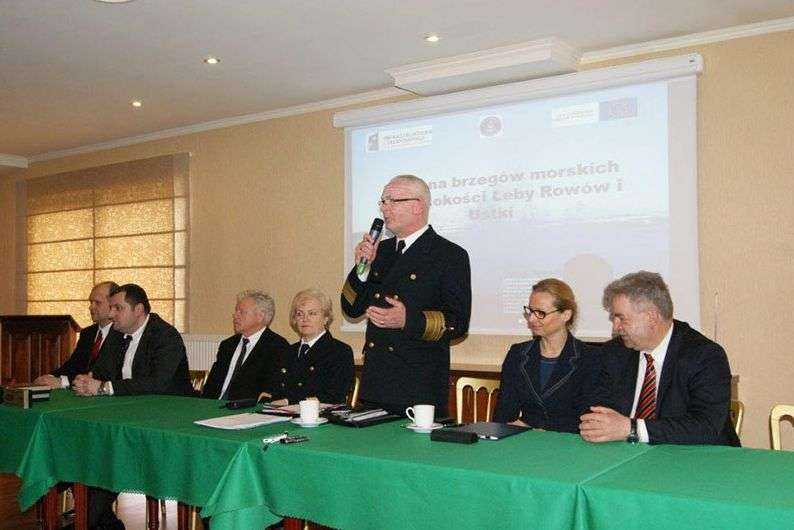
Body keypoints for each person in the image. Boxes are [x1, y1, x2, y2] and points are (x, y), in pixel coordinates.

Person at [341, 174, 471, 415]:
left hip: (417, 386)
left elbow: (458, 323)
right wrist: (363, 267)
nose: (384, 208)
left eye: (392, 201)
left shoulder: (448, 255)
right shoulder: (380, 251)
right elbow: (351, 307)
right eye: (383, 201)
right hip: (375, 383)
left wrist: (407, 320)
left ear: (417, 206)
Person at [580, 271, 740, 446]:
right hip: (627, 453)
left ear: (652, 317)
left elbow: (706, 427)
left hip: (696, 456)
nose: (616, 327)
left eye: (621, 318)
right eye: (614, 318)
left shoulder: (705, 356)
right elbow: (596, 408)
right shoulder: (614, 352)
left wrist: (632, 428)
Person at [493, 279, 600, 433]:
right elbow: (503, 415)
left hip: (570, 442)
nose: (531, 319)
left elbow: (588, 419)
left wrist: (537, 428)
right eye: (530, 311)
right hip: (524, 442)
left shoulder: (590, 358)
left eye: (540, 313)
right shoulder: (518, 354)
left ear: (566, 315)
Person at [73, 283, 193, 397]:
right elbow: (101, 371)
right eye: (110, 308)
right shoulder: (116, 333)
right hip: (129, 403)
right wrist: (87, 382)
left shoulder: (165, 335)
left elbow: (157, 383)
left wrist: (104, 387)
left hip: (171, 404)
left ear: (138, 310)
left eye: (118, 308)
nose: (110, 314)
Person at [33, 281, 124, 389]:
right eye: (91, 302)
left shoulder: (122, 334)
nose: (91, 307)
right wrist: (50, 377)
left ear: (113, 304)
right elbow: (73, 365)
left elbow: (104, 374)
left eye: (97, 302)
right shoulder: (88, 333)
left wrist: (64, 382)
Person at [201, 290, 290, 401]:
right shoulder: (227, 345)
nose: (235, 315)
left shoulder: (277, 347)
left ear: (260, 316)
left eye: (242, 312)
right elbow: (211, 386)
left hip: (246, 408)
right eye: (236, 311)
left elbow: (271, 389)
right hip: (213, 405)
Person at [269, 289, 354, 404]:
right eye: (299, 314)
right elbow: (275, 390)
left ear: (326, 318)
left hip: (318, 413)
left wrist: (288, 401)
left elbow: (334, 396)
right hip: (281, 412)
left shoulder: (339, 352)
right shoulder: (287, 352)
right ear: (294, 319)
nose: (305, 319)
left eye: (312, 313)